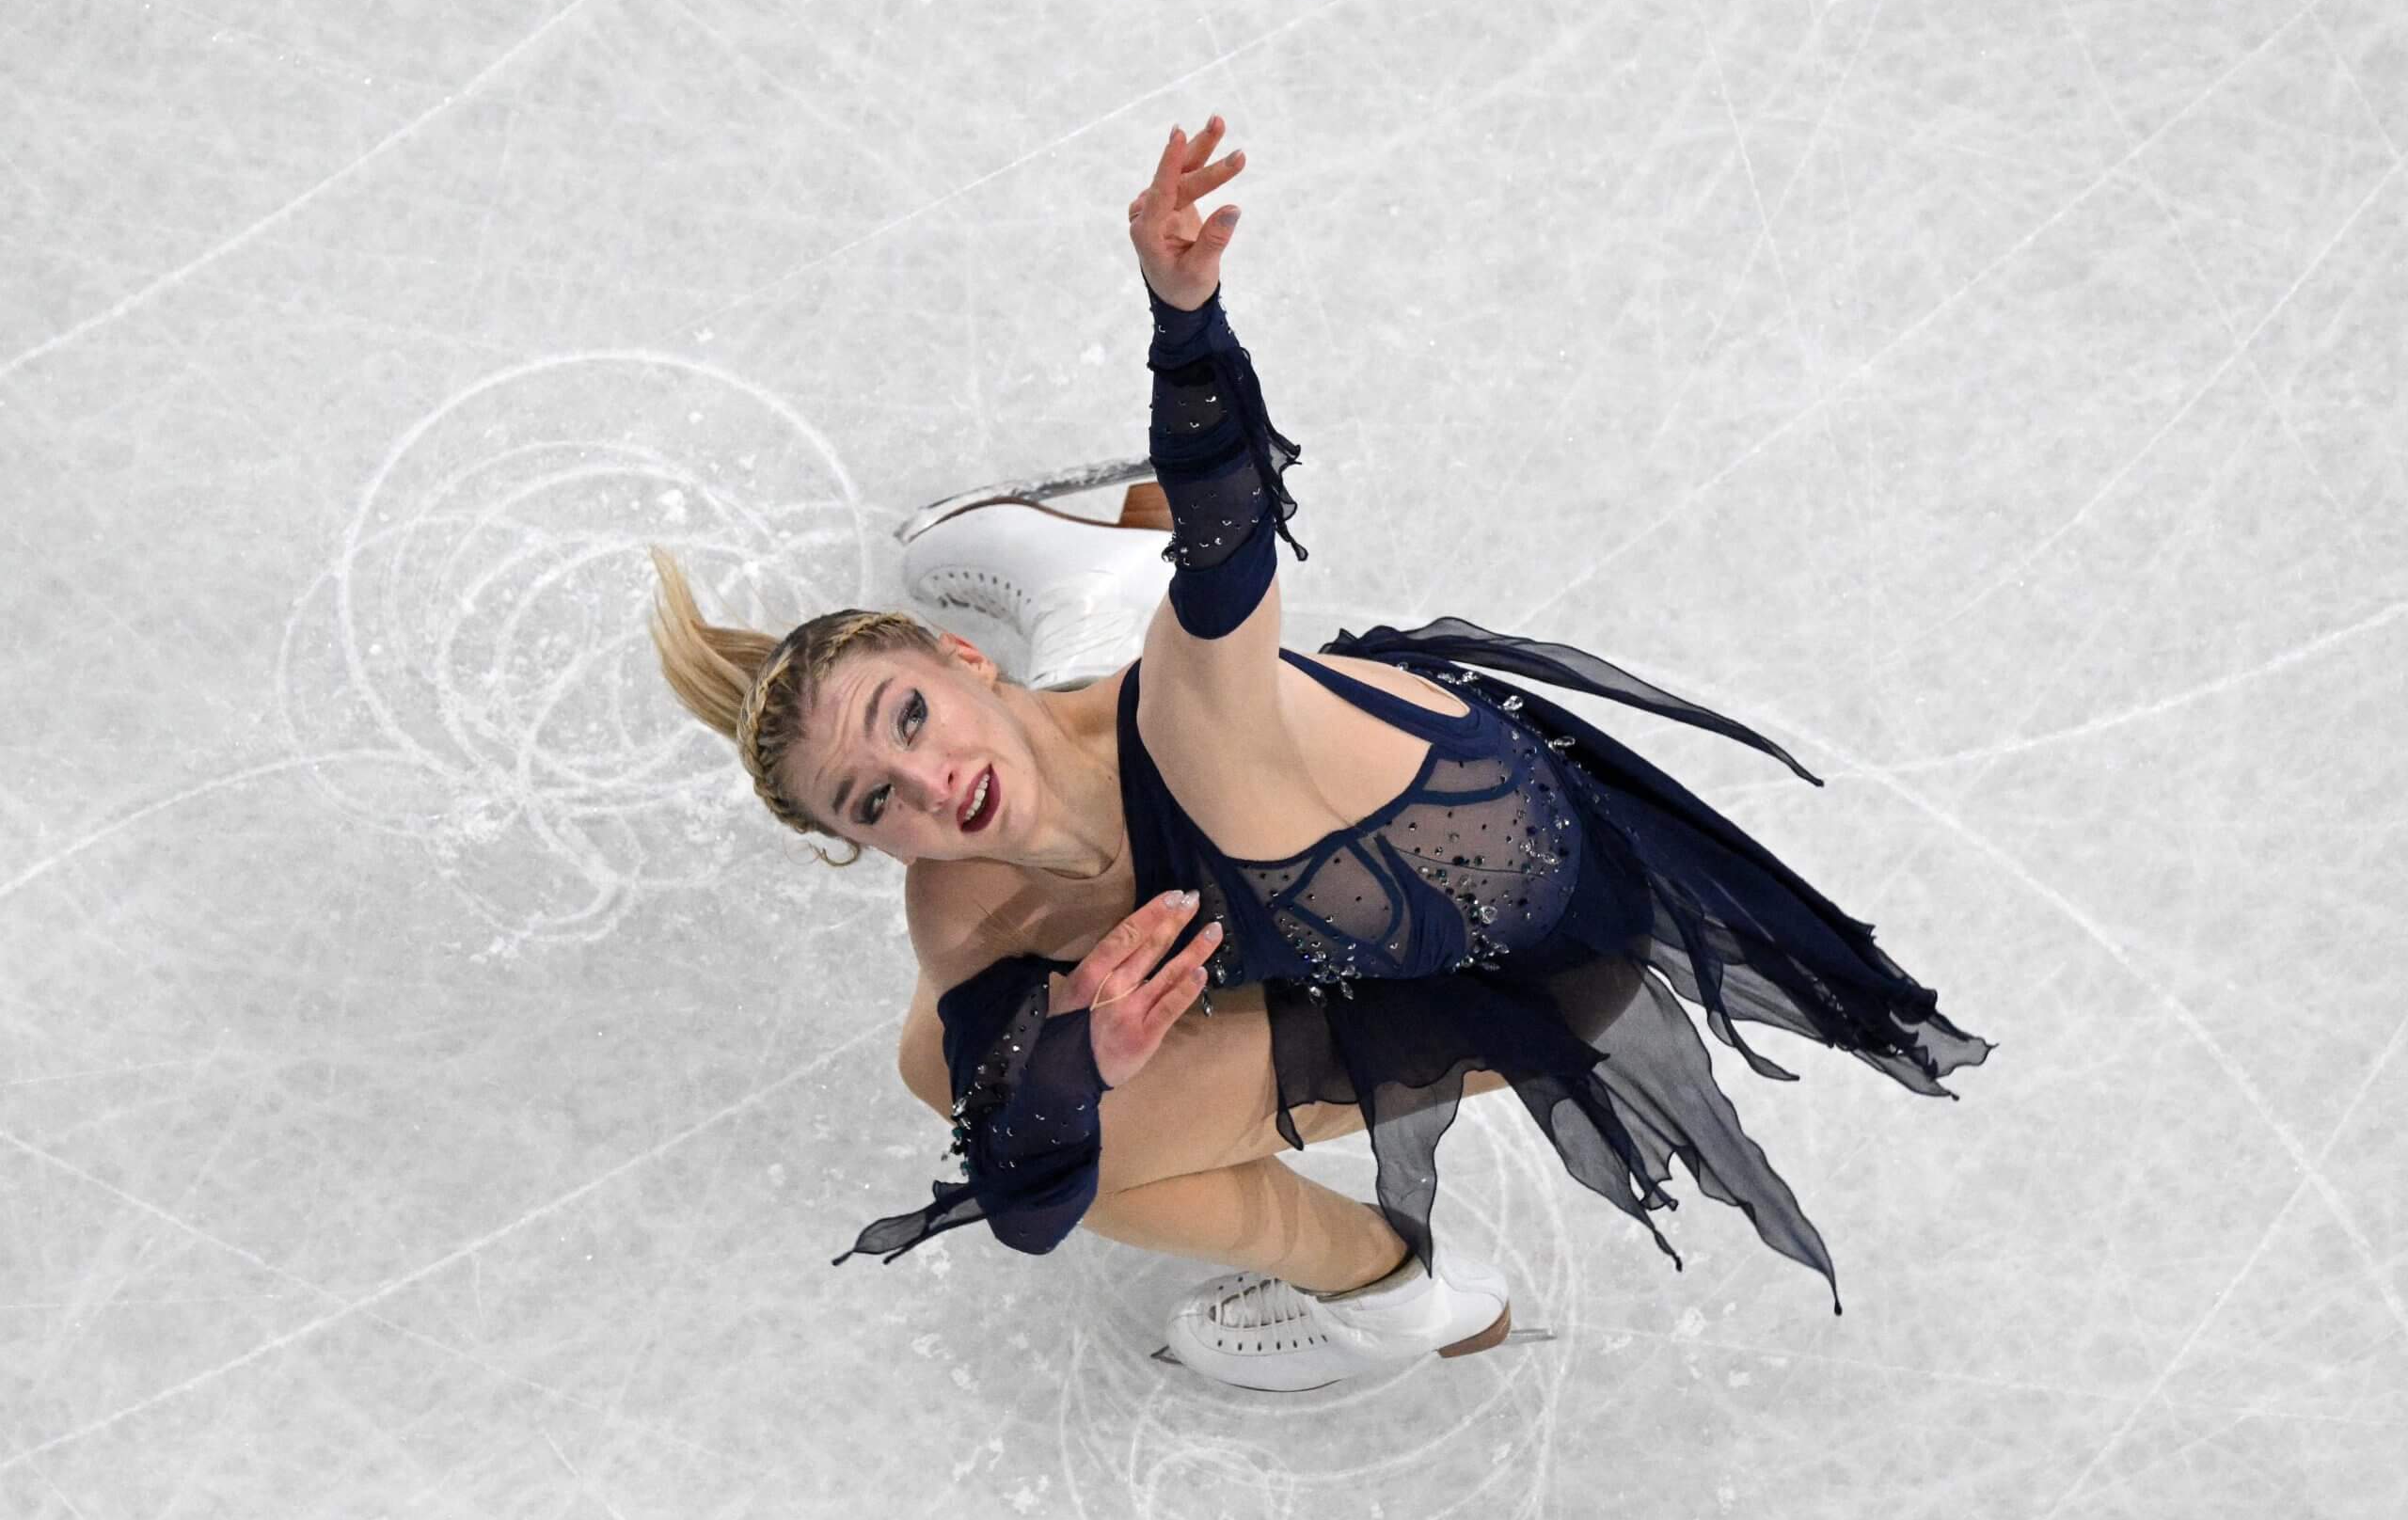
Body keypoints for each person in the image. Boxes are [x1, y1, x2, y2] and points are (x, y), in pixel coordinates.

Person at [645, 116, 1994, 1392]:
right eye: (874, 799)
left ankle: (1095, 567)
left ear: (959, 658)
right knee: (959, 1069)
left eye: (911, 718)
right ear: (854, 841)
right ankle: (1400, 1295)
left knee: (1167, 682)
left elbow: (1228, 537)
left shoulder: (1190, 716)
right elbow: (1025, 1198)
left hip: (1538, 941)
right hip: (1316, 936)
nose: (931, 785)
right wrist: (1078, 1059)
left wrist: (1187, 321)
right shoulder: (964, 912)